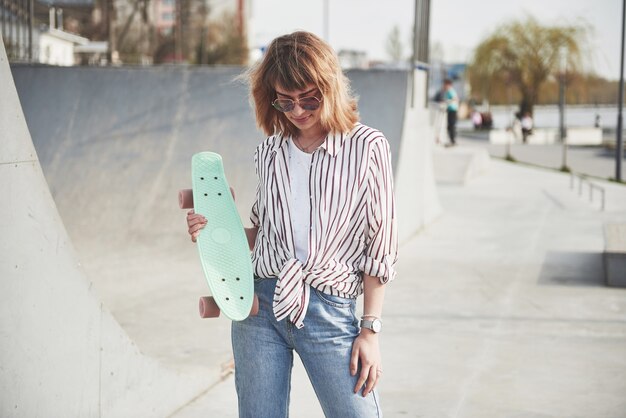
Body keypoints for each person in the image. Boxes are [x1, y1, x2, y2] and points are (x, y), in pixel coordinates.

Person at [186, 31, 398, 418]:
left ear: (329, 87)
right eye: (285, 101)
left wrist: (370, 330)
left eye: (309, 98)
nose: (297, 110)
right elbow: (260, 231)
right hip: (258, 310)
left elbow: (379, 247)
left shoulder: (367, 146)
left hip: (327, 309)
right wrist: (213, 230)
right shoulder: (269, 151)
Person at [443, 78, 458, 146]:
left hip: (452, 110)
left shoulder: (450, 91)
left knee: (451, 126)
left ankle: (453, 141)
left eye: (445, 84)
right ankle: (452, 140)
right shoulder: (448, 91)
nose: (444, 86)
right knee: (450, 126)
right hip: (450, 110)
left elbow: (455, 98)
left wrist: (448, 102)